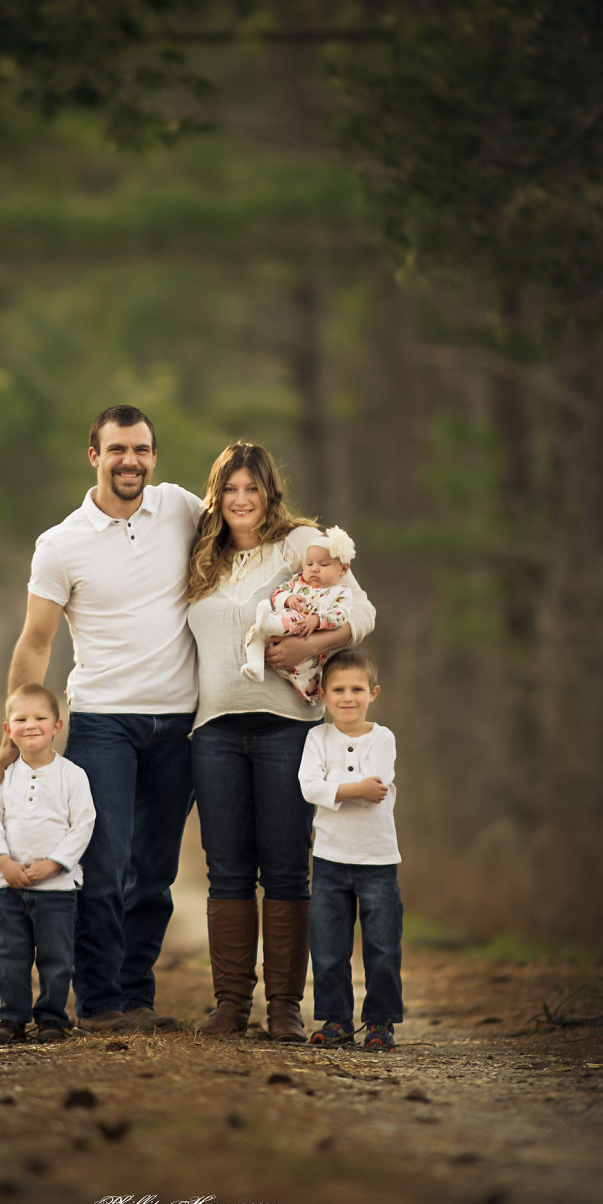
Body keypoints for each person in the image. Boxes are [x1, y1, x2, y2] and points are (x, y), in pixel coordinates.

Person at [0, 406, 202, 1033]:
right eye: (117, 450)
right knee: (101, 864)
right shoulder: (61, 544)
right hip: (105, 719)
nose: (130, 460)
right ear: (94, 456)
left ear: (154, 456)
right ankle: (101, 1003)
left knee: (155, 872)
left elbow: (253, 523)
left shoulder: (183, 510)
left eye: (141, 449)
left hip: (180, 720)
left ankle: (136, 997)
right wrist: (13, 730)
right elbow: (35, 642)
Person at [187, 442, 376, 1043]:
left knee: (289, 869)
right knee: (227, 870)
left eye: (253, 489)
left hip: (286, 728)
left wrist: (308, 648)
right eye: (231, 490)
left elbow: (363, 610)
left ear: (270, 493)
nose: (242, 501)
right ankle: (229, 1006)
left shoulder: (299, 545)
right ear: (217, 496)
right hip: (213, 730)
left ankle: (285, 1009)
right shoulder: (201, 556)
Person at [298, 649, 403, 1050]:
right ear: (322, 694)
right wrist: (351, 789)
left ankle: (380, 1023)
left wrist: (334, 787)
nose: (347, 698)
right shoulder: (316, 737)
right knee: (328, 948)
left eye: (357, 689)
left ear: (373, 692)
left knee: (381, 946)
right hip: (329, 859)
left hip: (377, 861)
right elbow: (309, 787)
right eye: (338, 689)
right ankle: (336, 1021)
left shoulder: (383, 737)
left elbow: (379, 785)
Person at [0, 684, 96, 1046]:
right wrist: (3, 862)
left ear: (57, 726)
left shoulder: (72, 775)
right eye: (21, 719)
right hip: (8, 889)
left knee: (56, 959)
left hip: (56, 891)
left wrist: (55, 864)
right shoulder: (3, 776)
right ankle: (11, 1019)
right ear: (7, 729)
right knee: (10, 958)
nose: (30, 725)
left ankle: (51, 1019)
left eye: (40, 718)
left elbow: (84, 824)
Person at [241, 525, 357, 702]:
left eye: (323, 564)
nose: (314, 569)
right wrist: (288, 599)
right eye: (309, 564)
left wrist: (317, 620)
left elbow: (341, 615)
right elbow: (279, 592)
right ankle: (255, 665)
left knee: (305, 677)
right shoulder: (297, 582)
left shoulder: (340, 592)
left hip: (303, 640)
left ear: (343, 569)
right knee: (256, 633)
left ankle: (270, 624)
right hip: (276, 634)